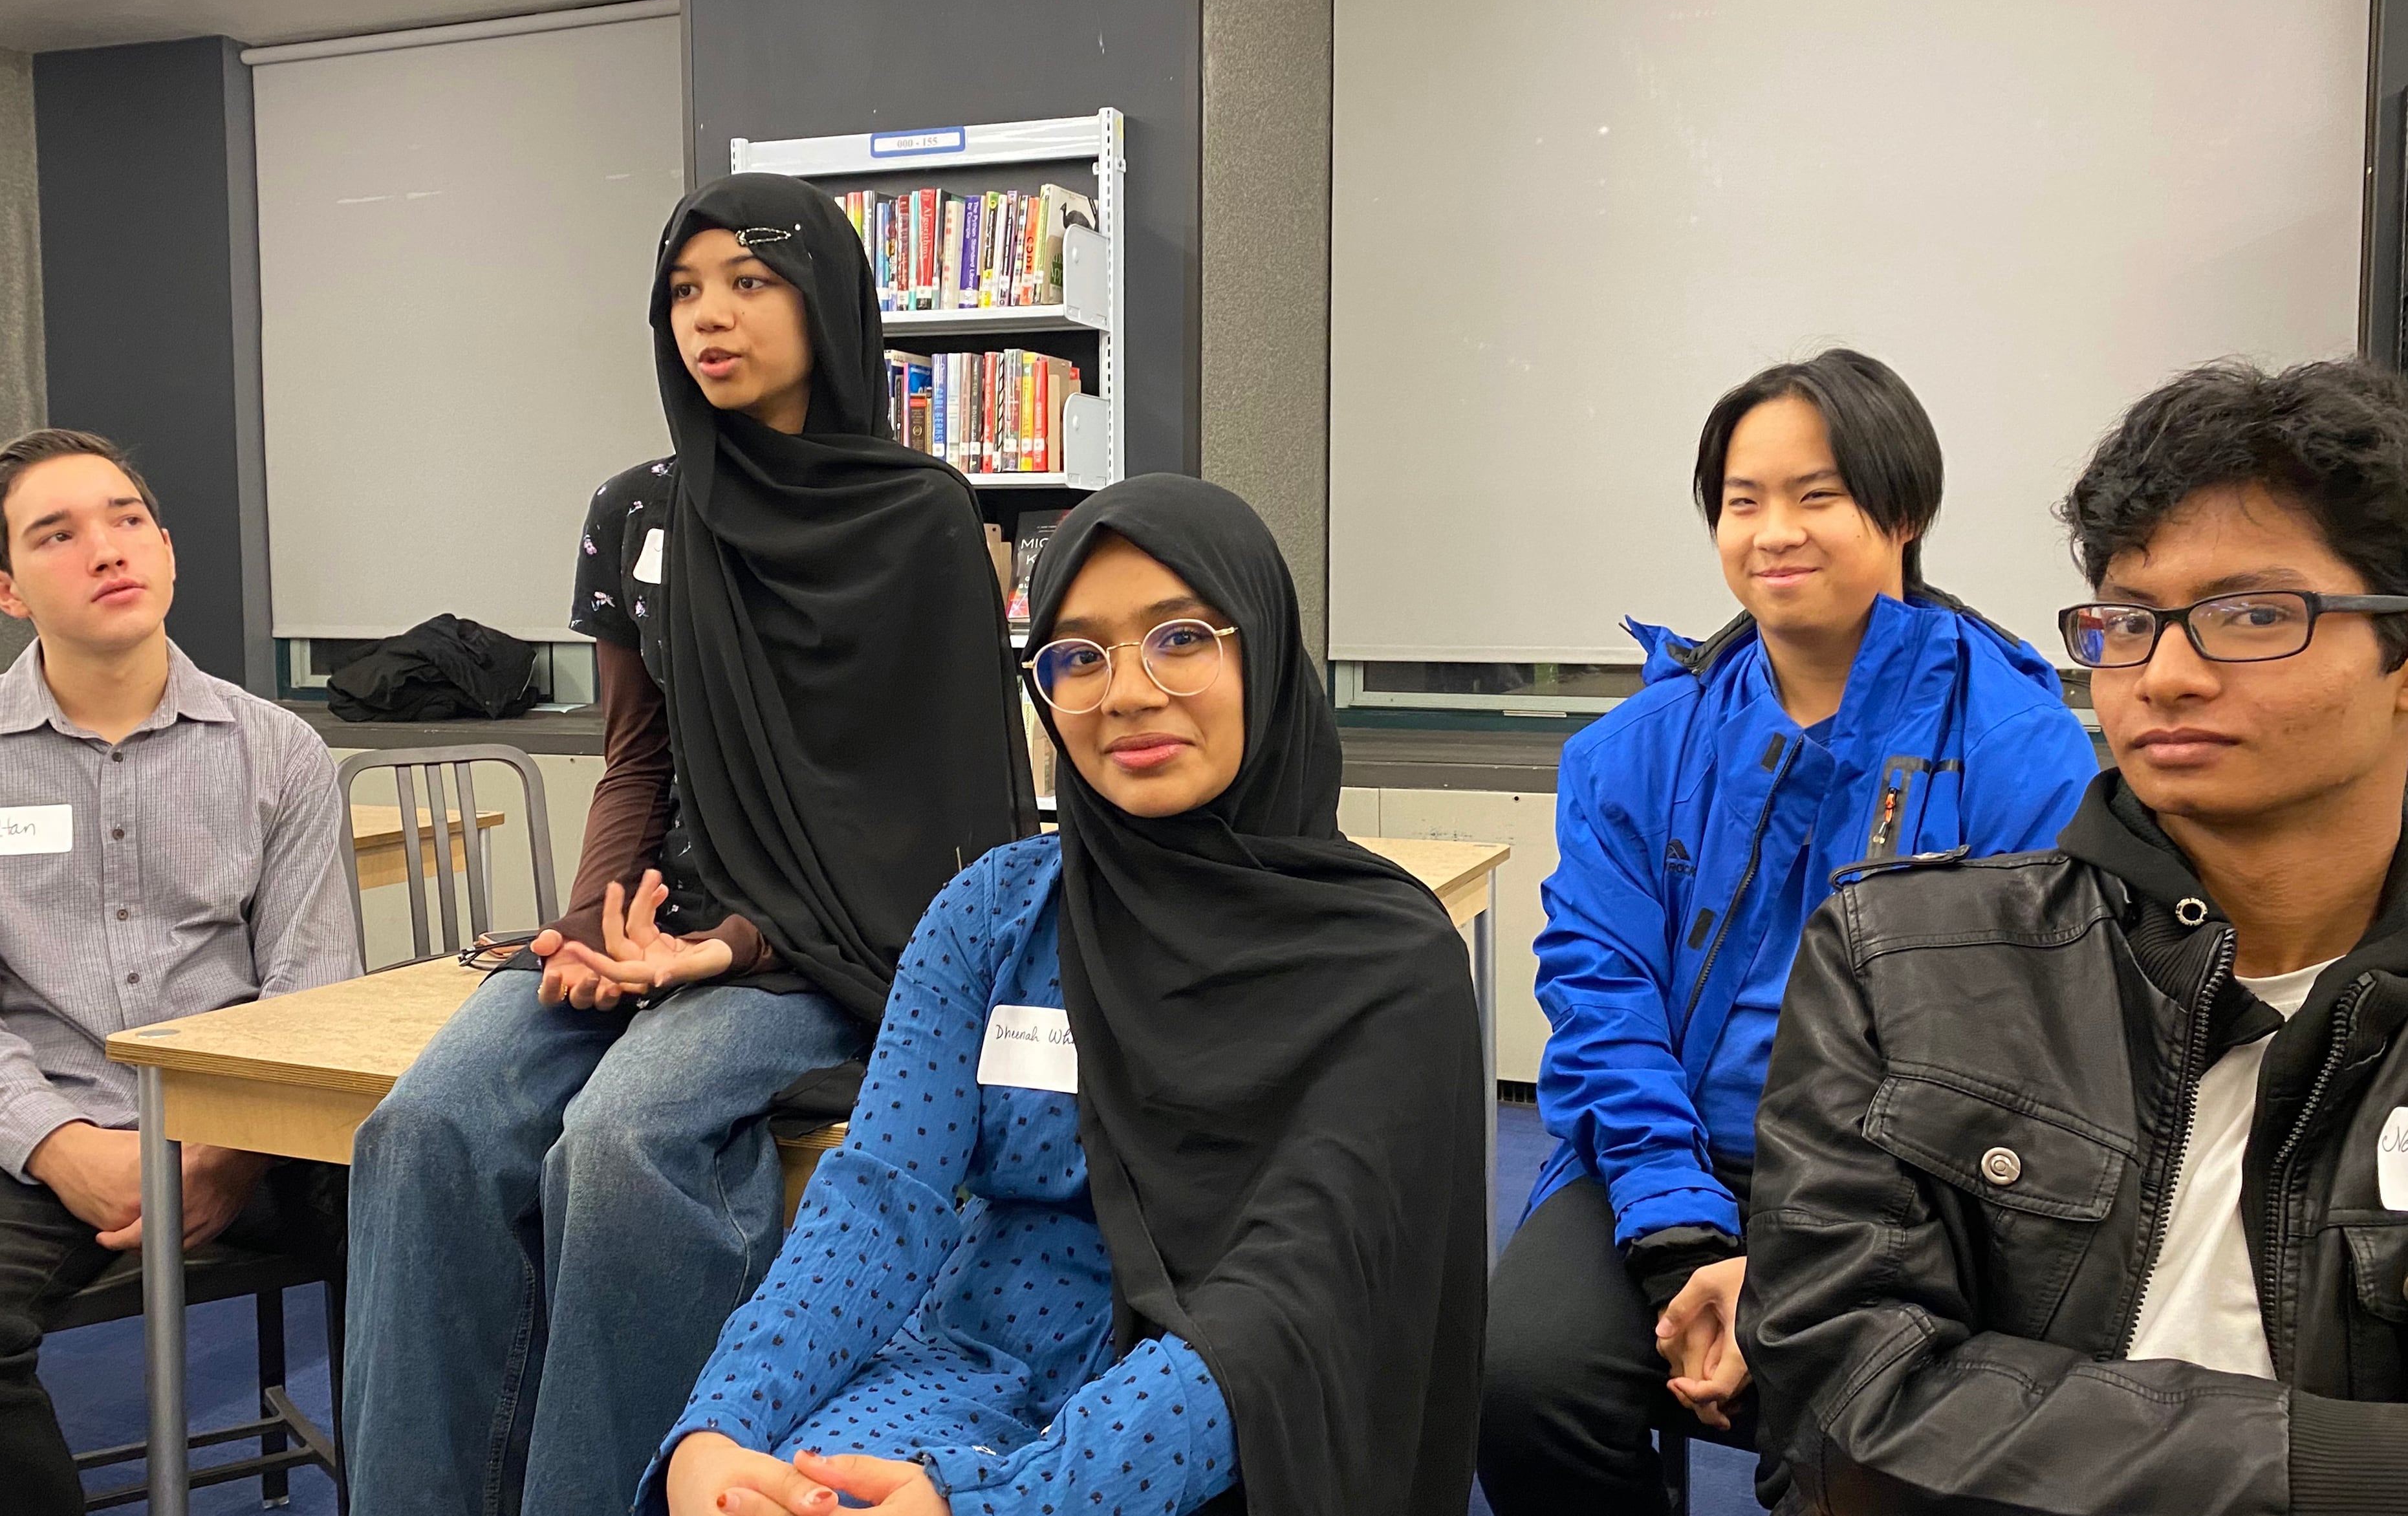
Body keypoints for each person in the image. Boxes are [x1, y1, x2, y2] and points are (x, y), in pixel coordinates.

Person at [343, 174, 1037, 1515]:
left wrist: (725, 943)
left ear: (826, 304)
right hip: (667, 913)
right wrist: (602, 925)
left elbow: (933, 814)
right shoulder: (639, 511)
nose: (706, 318)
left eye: (748, 282)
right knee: (421, 1124)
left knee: (620, 1140)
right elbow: (637, 759)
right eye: (682, 290)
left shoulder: (925, 518)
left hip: (826, 938)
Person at [644, 474, 1488, 1516]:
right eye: (1079, 656)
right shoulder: (996, 913)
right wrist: (721, 1426)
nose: (1126, 692)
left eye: (1179, 637)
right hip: (974, 1364)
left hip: (1218, 1412)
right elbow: (879, 1204)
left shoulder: (1386, 964)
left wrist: (997, 1502)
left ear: (1261, 650)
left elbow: (1283, 1310)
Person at [1742, 358, 2408, 1515]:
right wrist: (2345, 1468)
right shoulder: (1900, 955)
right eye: (2126, 623)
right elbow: (1848, 1401)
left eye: (2254, 614)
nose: (2168, 674)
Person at [1479, 349, 2099, 1511]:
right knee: (1523, 1385)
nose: (1775, 531)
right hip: (1668, 1156)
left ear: (1903, 508)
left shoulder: (2021, 743)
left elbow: (2017, 1045)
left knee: (1875, 1426)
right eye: (1742, 501)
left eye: (1818, 495)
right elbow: (1600, 991)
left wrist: (1805, 1255)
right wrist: (1677, 1234)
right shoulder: (1638, 746)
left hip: (1914, 1186)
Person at [0, 428, 355, 1511]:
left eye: (126, 520)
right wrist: (58, 1144)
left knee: (453, 1234)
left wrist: (230, 1150)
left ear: (168, 550)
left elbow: (312, 985)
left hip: (257, 1128)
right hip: (45, 1128)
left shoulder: (277, 748)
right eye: (56, 535)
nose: (105, 549)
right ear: (8, 589)